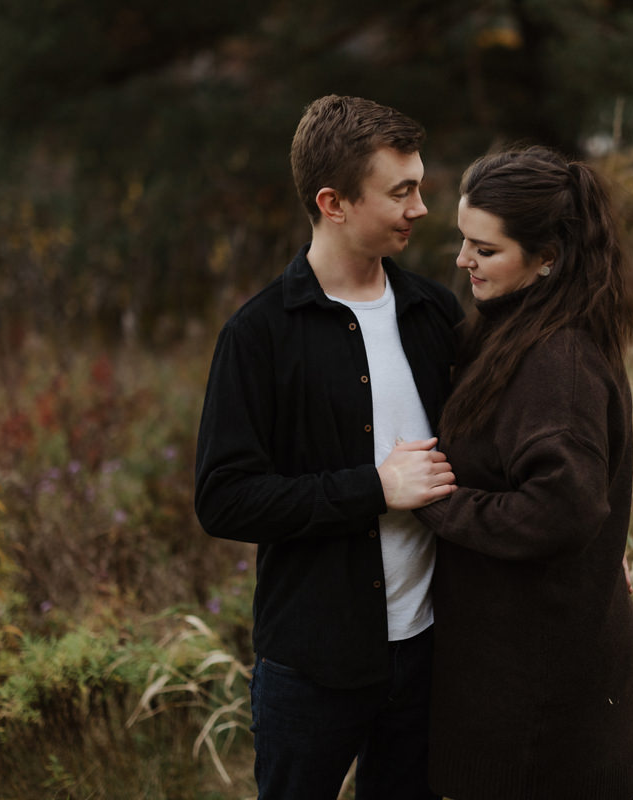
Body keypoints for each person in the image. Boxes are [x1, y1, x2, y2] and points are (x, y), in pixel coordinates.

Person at [194, 95, 463, 799]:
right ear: (333, 202)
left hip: (431, 650)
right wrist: (372, 490)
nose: (421, 209)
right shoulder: (258, 336)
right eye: (401, 192)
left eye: (420, 187)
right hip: (311, 667)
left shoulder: (435, 313)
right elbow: (224, 498)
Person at [414, 145, 633, 799]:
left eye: (485, 251)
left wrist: (436, 501)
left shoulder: (556, 361)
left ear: (547, 258)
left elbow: (565, 507)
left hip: (542, 677)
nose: (463, 262)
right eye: (464, 242)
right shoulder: (518, 330)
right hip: (521, 655)